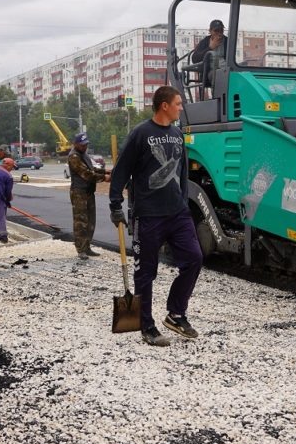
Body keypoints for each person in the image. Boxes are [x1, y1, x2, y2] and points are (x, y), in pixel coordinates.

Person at [109, 85, 204, 347]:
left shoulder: (177, 134)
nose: (181, 108)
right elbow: (121, 171)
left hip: (177, 213)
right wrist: (115, 205)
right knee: (145, 273)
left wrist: (183, 201)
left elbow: (182, 172)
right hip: (149, 215)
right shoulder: (141, 133)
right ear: (165, 106)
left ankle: (176, 314)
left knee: (194, 259)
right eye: (178, 104)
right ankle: (147, 326)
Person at [67, 132, 110, 260]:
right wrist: (104, 177)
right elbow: (86, 174)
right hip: (79, 193)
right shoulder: (74, 156)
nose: (85, 147)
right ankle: (81, 249)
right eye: (82, 145)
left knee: (90, 221)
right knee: (81, 222)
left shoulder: (84, 155)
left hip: (88, 192)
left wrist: (105, 171)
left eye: (86, 144)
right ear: (75, 144)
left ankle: (87, 247)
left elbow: (92, 169)